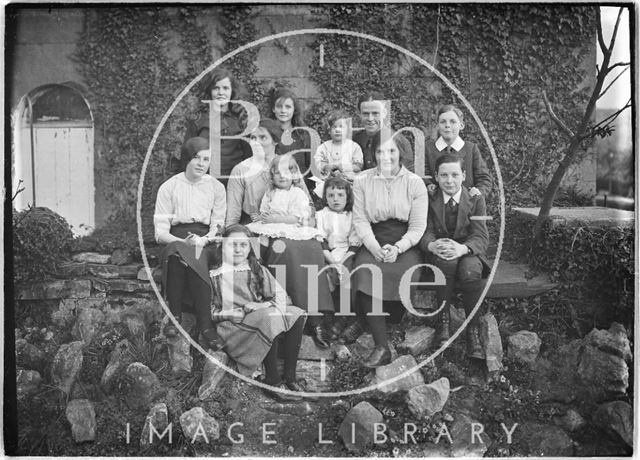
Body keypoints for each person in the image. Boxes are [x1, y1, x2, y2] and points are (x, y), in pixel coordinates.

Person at [351, 136, 428, 367]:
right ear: (373, 154)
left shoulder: (414, 183)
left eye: (391, 151)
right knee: (365, 271)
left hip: (404, 243)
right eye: (380, 152)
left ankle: (391, 318)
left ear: (400, 152)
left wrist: (398, 248)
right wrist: (374, 247)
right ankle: (382, 346)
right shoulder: (362, 180)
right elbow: (361, 220)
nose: (386, 157)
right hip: (374, 239)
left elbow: (418, 227)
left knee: (406, 272)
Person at [207, 224, 308, 401]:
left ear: (250, 247)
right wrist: (228, 314)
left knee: (296, 313)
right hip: (233, 326)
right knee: (269, 319)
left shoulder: (257, 270)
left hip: (259, 315)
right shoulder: (215, 275)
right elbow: (209, 310)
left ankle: (290, 377)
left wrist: (262, 305)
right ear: (223, 246)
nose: (238, 250)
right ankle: (272, 381)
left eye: (243, 245)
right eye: (232, 245)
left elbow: (282, 297)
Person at [419, 153, 491, 383]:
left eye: (454, 175)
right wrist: (432, 244)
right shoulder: (431, 198)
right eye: (444, 176)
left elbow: (481, 235)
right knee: (444, 264)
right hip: (443, 251)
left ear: (464, 176)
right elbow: (426, 229)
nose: (449, 181)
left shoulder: (475, 198)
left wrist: (462, 249)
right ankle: (443, 322)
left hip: (467, 250)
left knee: (470, 272)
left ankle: (472, 330)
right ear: (437, 178)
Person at [154, 137, 226, 349]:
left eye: (206, 159)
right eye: (196, 158)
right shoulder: (169, 187)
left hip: (206, 240)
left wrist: (203, 241)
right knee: (179, 253)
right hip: (176, 238)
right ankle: (175, 317)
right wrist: (181, 241)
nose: (201, 164)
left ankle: (206, 326)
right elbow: (160, 233)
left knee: (194, 253)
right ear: (187, 158)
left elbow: (219, 227)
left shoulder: (216, 188)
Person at [185, 68, 252, 182]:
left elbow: (248, 156)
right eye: (216, 88)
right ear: (210, 91)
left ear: (232, 91)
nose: (221, 93)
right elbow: (188, 153)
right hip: (203, 181)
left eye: (225, 88)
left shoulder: (241, 118)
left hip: (233, 182)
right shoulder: (198, 119)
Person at [315, 176, 362, 339]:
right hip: (328, 253)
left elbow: (355, 242)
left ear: (348, 197)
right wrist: (332, 261)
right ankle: (328, 317)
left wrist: (342, 262)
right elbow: (321, 240)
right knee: (323, 275)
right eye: (331, 195)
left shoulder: (352, 215)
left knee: (347, 274)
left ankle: (344, 316)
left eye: (340, 195)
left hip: (348, 253)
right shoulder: (321, 215)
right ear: (325, 197)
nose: (335, 199)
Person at [424, 104, 493, 198]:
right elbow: (421, 175)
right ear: (437, 125)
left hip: (466, 205)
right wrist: (428, 185)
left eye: (453, 122)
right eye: (443, 122)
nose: (447, 125)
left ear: (461, 125)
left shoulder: (471, 149)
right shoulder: (428, 148)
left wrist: (478, 192)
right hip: (436, 206)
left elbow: (484, 178)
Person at [352, 91, 414, 172]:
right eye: (365, 114)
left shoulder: (399, 142)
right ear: (359, 114)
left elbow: (406, 177)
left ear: (384, 113)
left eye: (375, 113)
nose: (370, 119)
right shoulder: (355, 140)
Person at [268, 87, 314, 192]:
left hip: (300, 192)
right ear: (273, 109)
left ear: (294, 110)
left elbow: (311, 168)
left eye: (288, 107)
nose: (283, 110)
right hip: (272, 192)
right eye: (279, 106)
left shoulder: (304, 135)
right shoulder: (267, 134)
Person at [312, 109, 364, 197]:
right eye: (334, 127)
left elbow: (358, 166)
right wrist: (326, 166)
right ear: (328, 130)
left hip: (349, 182)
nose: (337, 130)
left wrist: (344, 167)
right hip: (329, 183)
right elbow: (318, 162)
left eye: (341, 126)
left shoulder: (354, 146)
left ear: (348, 129)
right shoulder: (323, 147)